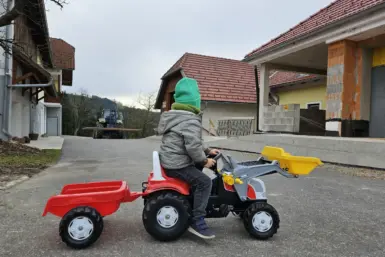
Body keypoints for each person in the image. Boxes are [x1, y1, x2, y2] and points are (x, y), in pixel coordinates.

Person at [157, 77, 219, 239]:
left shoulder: (176, 116)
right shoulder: (190, 120)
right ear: (195, 101)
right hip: (177, 164)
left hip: (171, 160)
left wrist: (208, 150)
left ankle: (193, 201)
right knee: (205, 182)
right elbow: (192, 147)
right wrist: (205, 161)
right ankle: (197, 220)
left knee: (198, 173)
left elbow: (194, 142)